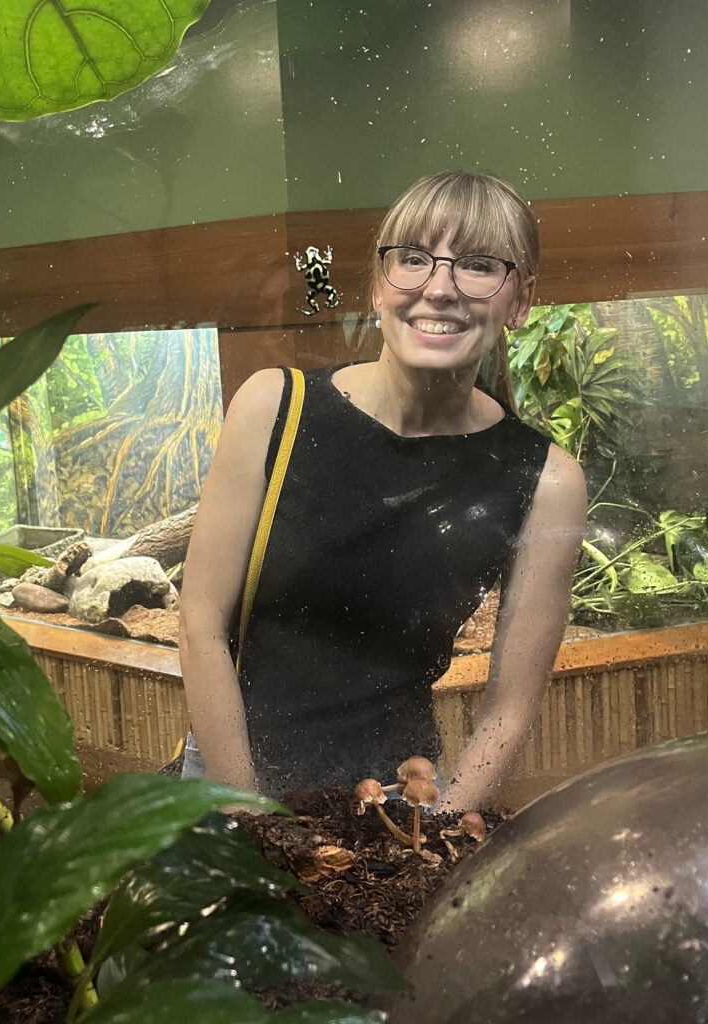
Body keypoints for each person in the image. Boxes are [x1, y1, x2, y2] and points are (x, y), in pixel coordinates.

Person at [178, 171, 587, 809]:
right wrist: (251, 820)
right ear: (379, 282)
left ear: (522, 300)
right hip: (234, 781)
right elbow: (200, 626)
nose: (440, 288)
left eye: (478, 265)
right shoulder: (274, 408)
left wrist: (445, 832)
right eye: (414, 259)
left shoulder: (545, 479)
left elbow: (510, 705)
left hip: (403, 793)